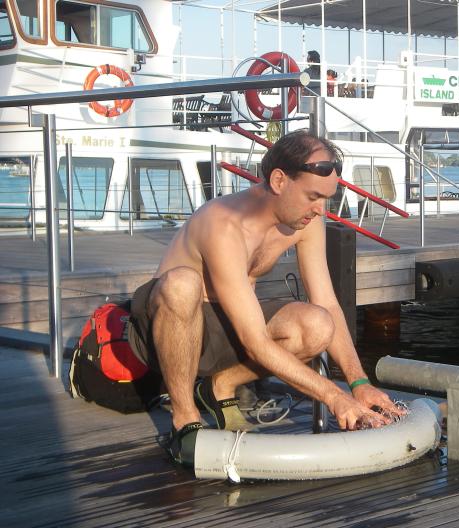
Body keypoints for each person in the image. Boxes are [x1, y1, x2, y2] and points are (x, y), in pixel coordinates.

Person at [127, 130, 402, 467]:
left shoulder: (305, 222)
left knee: (318, 324)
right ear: (279, 180)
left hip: (228, 329)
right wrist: (334, 396)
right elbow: (255, 341)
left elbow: (328, 303)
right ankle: (185, 420)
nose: (320, 209)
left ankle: (219, 387)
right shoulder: (223, 223)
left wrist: (358, 383)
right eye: (313, 196)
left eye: (327, 199)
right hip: (168, 331)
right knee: (182, 284)